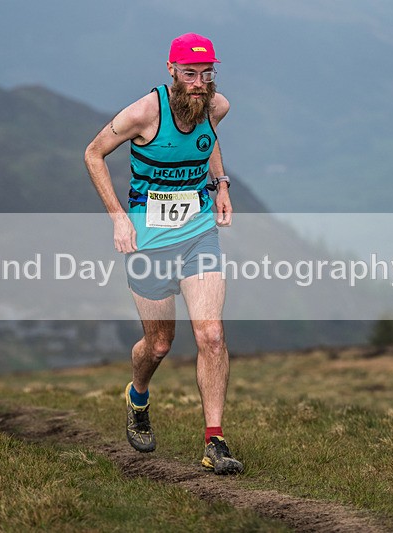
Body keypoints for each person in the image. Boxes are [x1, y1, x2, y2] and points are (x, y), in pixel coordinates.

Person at [84, 33, 243, 474]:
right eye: (190, 74)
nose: (199, 83)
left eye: (207, 74)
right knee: (158, 344)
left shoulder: (217, 107)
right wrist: (118, 216)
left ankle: (215, 442)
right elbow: (93, 154)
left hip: (199, 233)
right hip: (148, 241)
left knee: (211, 335)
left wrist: (221, 184)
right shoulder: (143, 112)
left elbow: (207, 141)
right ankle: (137, 396)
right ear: (171, 71)